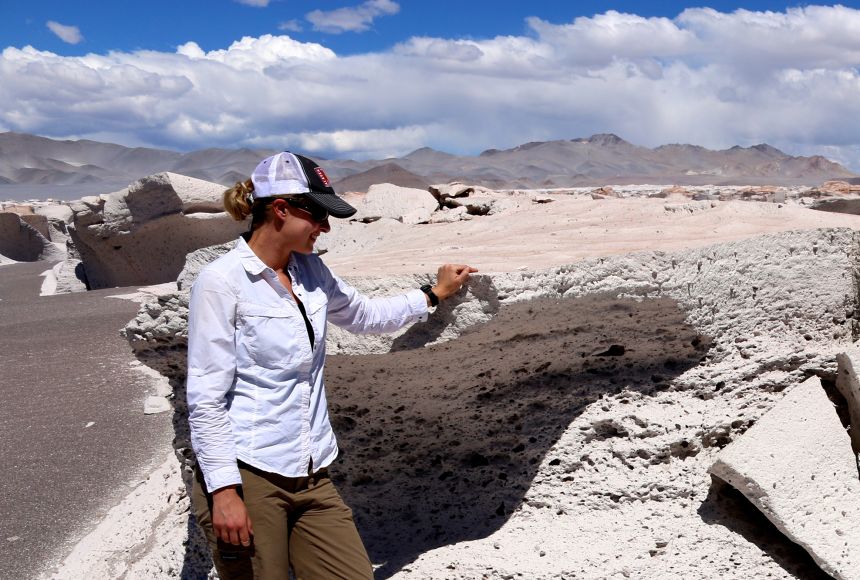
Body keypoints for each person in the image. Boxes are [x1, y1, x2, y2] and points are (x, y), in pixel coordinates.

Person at [186, 151, 477, 579]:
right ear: (281, 210)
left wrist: (433, 294)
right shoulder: (221, 282)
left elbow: (364, 315)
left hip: (312, 472)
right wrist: (224, 492)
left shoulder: (310, 271)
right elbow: (206, 398)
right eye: (318, 215)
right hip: (250, 475)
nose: (325, 227)